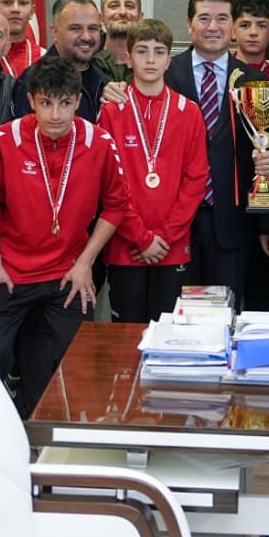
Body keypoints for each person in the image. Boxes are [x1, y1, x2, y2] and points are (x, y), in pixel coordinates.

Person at [0, 55, 133, 417]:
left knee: (72, 366)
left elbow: (116, 204)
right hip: (11, 271)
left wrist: (85, 263)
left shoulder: (98, 141)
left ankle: (52, 434)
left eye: (65, 103)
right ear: (31, 101)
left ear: (78, 101)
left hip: (68, 274)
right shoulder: (6, 138)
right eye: (46, 103)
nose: (55, 114)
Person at [166, 0, 269, 307]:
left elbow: (264, 157)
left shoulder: (254, 82)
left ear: (233, 26)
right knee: (179, 314)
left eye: (222, 19)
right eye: (204, 18)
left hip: (232, 224)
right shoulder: (166, 74)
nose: (213, 27)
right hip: (176, 222)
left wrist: (265, 223)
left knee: (225, 313)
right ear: (189, 24)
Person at [98, 19, 209, 322]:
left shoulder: (189, 112)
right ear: (128, 57)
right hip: (125, 246)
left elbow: (196, 180)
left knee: (169, 333)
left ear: (169, 60)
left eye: (158, 52)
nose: (150, 60)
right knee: (126, 334)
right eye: (142, 51)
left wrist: (164, 237)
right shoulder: (111, 112)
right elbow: (109, 183)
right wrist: (140, 238)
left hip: (172, 247)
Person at [10, 0, 110, 122]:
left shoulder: (103, 78)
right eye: (75, 28)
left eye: (93, 28)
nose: (86, 36)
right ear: (54, 32)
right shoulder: (32, 80)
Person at [0, 0, 41, 78]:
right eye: (7, 2)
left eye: (23, 3)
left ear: (32, 11)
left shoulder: (45, 58)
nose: (15, 9)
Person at [95, 0, 143, 83]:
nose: (122, 12)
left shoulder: (154, 63)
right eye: (114, 6)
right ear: (101, 18)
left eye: (129, 6)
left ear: (140, 17)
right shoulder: (86, 62)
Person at [232, 0, 269, 80]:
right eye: (245, 25)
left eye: (261, 26)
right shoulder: (219, 71)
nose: (253, 32)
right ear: (233, 31)